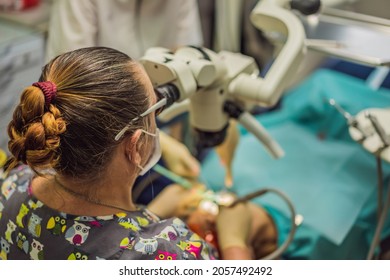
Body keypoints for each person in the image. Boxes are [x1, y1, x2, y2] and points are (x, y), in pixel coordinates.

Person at [0, 47, 277, 260]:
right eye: (154, 111)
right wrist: (235, 242)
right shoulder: (167, 254)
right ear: (135, 146)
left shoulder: (11, 183)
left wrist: (152, 214)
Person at [45, 0, 205, 203]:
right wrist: (158, 141)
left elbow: (187, 58)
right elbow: (78, 96)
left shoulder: (14, 184)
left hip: (147, 124)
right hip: (94, 124)